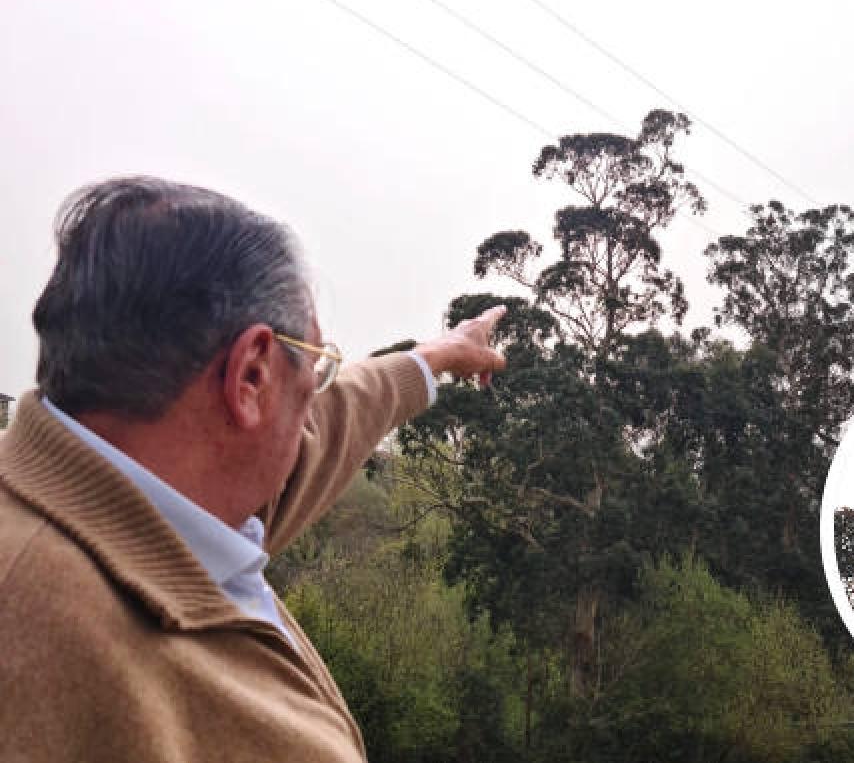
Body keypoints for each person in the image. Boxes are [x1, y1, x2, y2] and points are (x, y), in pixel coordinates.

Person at [0, 176, 506, 761]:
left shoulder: (147, 506)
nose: (315, 400)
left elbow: (327, 430)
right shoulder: (36, 644)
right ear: (251, 377)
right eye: (316, 366)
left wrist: (433, 358)